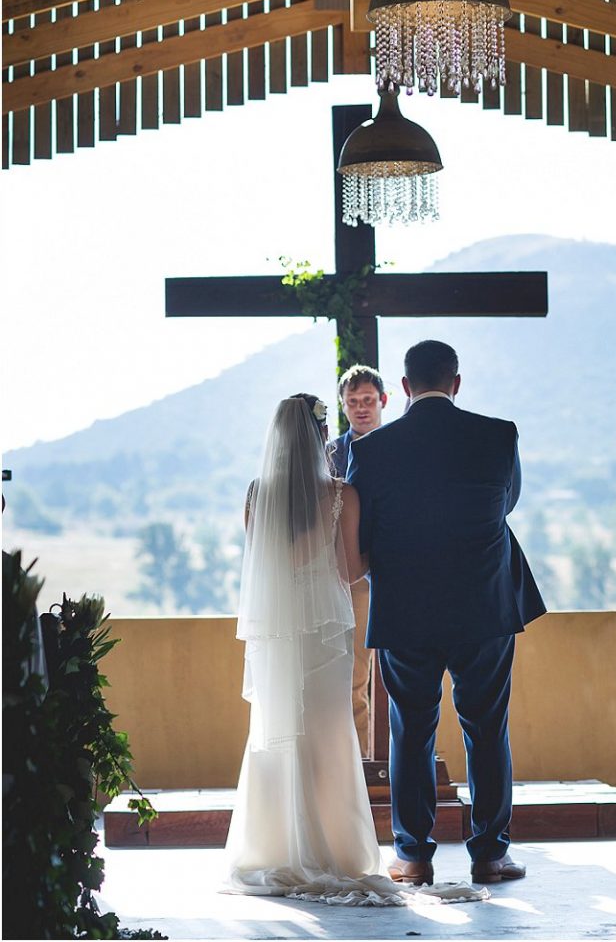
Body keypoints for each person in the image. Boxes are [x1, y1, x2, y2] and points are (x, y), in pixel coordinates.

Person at [222, 392, 485, 906]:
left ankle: (273, 846)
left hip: (279, 633)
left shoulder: (256, 494)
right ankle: (335, 848)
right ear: (322, 435)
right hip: (325, 633)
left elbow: (260, 563)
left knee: (277, 729)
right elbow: (350, 571)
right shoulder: (341, 494)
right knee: (328, 731)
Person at [347, 341, 547, 887]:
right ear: (456, 383)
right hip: (483, 602)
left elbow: (364, 530)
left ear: (403, 388)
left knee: (411, 730)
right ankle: (490, 854)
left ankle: (413, 857)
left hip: (405, 606)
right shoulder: (498, 435)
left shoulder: (374, 450)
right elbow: (505, 502)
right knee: (487, 726)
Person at [327, 364, 388, 756]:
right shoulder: (331, 454)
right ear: (343, 406)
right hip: (352, 582)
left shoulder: (399, 445)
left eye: (368, 400)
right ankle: (362, 764)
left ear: (383, 401)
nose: (361, 408)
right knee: (354, 680)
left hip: (399, 573)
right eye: (353, 402)